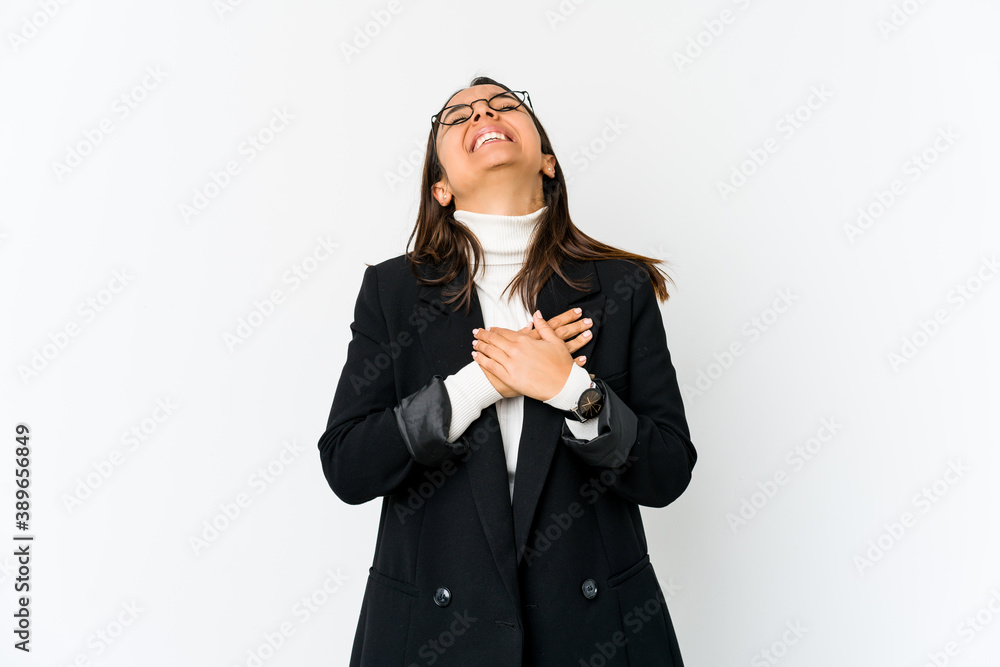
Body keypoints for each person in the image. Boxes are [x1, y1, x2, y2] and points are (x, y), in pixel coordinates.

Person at [317, 75, 697, 666]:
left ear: (546, 159)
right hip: (432, 638)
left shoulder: (621, 288)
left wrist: (573, 391)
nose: (483, 114)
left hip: (595, 635)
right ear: (439, 186)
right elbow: (347, 464)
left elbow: (668, 471)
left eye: (503, 105)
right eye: (458, 115)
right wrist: (478, 386)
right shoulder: (393, 292)